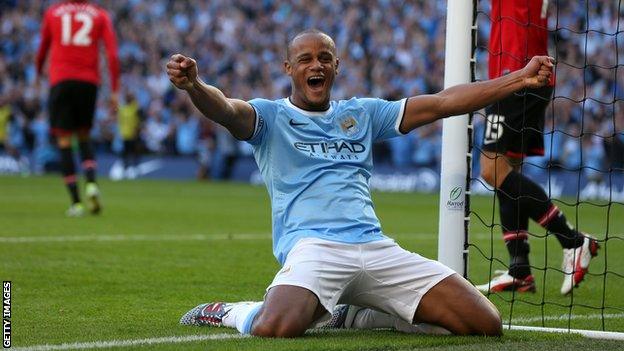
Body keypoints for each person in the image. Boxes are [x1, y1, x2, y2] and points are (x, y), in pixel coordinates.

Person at [168, 29, 554, 337]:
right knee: (275, 326)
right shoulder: (269, 117)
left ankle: (353, 316)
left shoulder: (363, 113)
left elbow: (443, 102)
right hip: (314, 248)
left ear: (336, 66)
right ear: (289, 68)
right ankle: (232, 312)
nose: (315, 65)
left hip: (374, 246)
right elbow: (225, 109)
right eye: (305, 59)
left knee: (484, 323)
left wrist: (519, 78)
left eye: (323, 58)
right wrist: (195, 86)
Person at [475, 0, 599, 296]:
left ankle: (573, 240)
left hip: (517, 72)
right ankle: (520, 269)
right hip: (528, 71)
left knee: (492, 169)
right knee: (508, 171)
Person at [36, 0, 120, 216]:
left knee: (64, 141)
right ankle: (91, 184)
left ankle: (76, 203)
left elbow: (43, 48)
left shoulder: (53, 12)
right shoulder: (100, 15)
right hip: (88, 82)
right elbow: (112, 54)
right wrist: (114, 91)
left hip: (61, 80)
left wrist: (37, 74)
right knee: (84, 136)